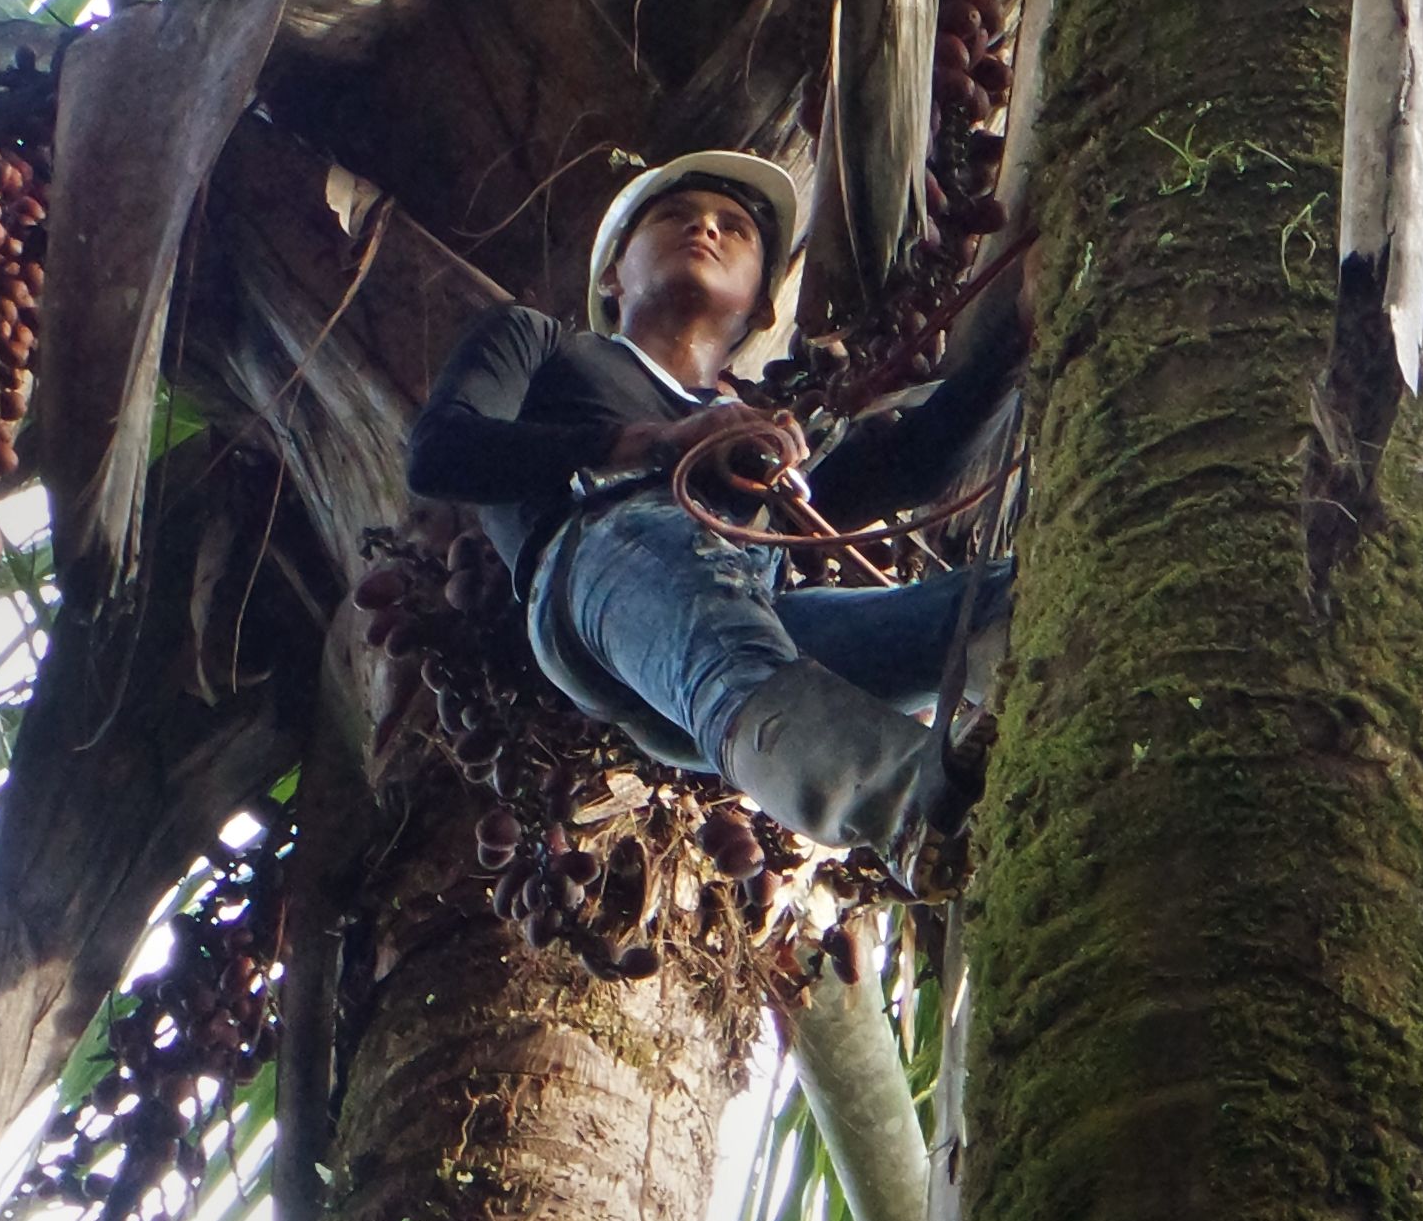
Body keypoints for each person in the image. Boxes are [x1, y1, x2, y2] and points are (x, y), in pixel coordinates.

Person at [405, 150, 1025, 874]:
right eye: (673, 215)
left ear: (763, 301)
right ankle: (912, 807)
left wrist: (1017, 334)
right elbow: (440, 451)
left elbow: (914, 464)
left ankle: (1052, 691)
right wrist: (645, 443)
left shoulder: (753, 428)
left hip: (749, 627)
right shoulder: (542, 343)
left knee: (983, 605)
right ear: (612, 275)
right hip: (606, 586)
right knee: (668, 553)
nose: (704, 226)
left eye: (733, 226)